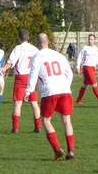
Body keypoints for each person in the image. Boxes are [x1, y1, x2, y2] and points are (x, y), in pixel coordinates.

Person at [25, 33, 75, 161]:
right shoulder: (59, 55)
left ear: (37, 43)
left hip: (49, 91)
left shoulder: (37, 56)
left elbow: (33, 74)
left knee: (46, 121)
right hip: (64, 90)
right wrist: (66, 86)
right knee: (66, 120)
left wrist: (29, 90)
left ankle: (57, 150)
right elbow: (69, 73)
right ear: (49, 42)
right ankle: (71, 150)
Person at [0, 29, 42, 133]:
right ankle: (38, 127)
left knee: (18, 103)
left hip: (21, 78)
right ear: (28, 37)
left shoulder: (18, 48)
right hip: (32, 77)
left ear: (19, 38)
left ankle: (15, 128)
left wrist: (4, 68)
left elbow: (11, 61)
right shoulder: (34, 49)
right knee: (34, 103)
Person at [75, 34, 98, 105]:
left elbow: (97, 59)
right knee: (95, 84)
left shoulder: (95, 48)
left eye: (91, 39)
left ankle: (78, 100)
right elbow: (79, 58)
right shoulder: (85, 48)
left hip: (92, 68)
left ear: (94, 40)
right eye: (89, 39)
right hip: (87, 68)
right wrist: (77, 67)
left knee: (85, 85)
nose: (90, 40)